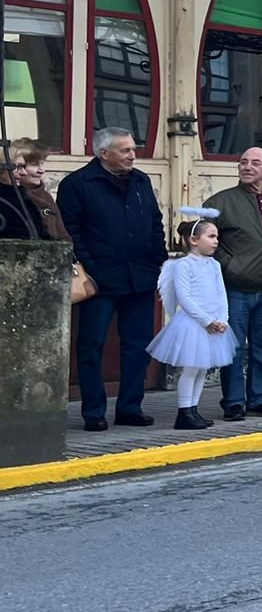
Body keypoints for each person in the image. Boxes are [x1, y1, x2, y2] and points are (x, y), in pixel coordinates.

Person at [57, 127, 166, 431]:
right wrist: (91, 268)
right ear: (104, 153)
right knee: (91, 345)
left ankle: (130, 407)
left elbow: (155, 223)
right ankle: (93, 412)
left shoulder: (141, 181)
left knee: (138, 345)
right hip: (99, 281)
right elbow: (72, 233)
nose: (133, 155)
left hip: (140, 277)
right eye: (125, 150)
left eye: (133, 149)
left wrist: (158, 260)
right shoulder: (77, 184)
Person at [204, 147, 262, 421]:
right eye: (243, 162)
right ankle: (233, 402)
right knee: (232, 348)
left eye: (255, 163)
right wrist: (229, 264)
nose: (247, 166)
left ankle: (259, 398)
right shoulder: (220, 201)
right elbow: (199, 236)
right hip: (234, 288)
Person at [148, 212, 235, 430]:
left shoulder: (214, 265)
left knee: (202, 368)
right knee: (191, 368)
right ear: (194, 240)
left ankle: (194, 410)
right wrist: (206, 320)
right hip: (193, 324)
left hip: (213, 323)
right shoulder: (183, 265)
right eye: (211, 236)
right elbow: (184, 298)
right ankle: (184, 412)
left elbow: (221, 293)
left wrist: (223, 318)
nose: (216, 241)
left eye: (217, 237)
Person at [0, 138, 68, 241]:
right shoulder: (12, 200)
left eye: (42, 164)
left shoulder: (44, 197)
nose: (42, 170)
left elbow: (62, 236)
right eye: (34, 164)